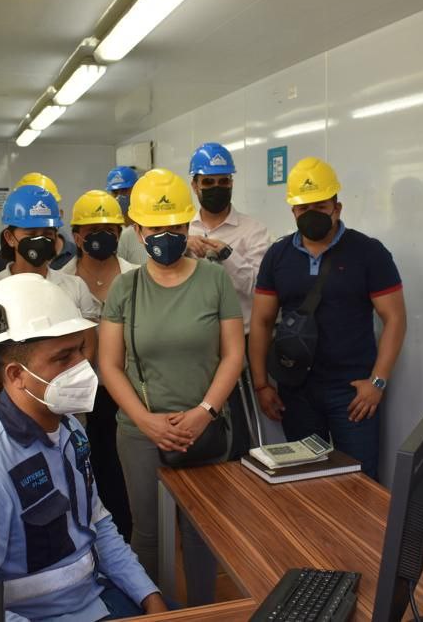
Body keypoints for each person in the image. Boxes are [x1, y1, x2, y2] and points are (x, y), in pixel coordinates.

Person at [0, 273, 167, 621]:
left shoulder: (69, 428)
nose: (81, 368)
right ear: (15, 375)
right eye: (62, 358)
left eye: (80, 351)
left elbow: (99, 526)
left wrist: (151, 598)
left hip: (99, 599)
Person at [99, 168, 244, 605]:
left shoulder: (215, 280)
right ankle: (154, 611)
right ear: (138, 230)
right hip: (141, 433)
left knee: (201, 531)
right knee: (147, 532)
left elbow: (232, 354)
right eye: (157, 228)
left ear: (188, 226)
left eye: (177, 227)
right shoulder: (125, 288)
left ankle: (202, 611)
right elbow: (109, 365)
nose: (168, 236)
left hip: (207, 426)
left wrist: (205, 412)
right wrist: (147, 422)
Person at [249, 157, 406, 480]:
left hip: (352, 392)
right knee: (304, 483)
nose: (311, 215)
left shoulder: (368, 252)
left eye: (319, 206)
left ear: (337, 206)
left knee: (361, 485)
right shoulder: (278, 256)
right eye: (302, 208)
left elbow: (394, 319)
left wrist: (377, 382)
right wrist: (262, 384)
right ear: (292, 210)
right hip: (296, 391)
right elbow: (262, 321)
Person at [62, 189, 139, 541]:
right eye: (93, 230)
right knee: (89, 474)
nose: (103, 237)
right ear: (77, 236)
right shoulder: (61, 284)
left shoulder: (139, 277)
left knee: (128, 476)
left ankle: (134, 541)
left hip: (130, 393)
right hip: (80, 399)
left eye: (110, 228)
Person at [187, 142, 271, 459]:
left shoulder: (254, 231)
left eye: (224, 181)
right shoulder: (182, 231)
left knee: (244, 426)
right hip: (197, 342)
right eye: (208, 182)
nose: (216, 188)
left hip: (245, 342)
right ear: (195, 185)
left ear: (232, 182)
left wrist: (226, 254)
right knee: (203, 422)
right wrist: (182, 250)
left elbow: (257, 288)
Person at [0, 185, 99, 386]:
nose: (40, 241)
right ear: (10, 238)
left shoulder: (74, 286)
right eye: (31, 233)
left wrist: (70, 388)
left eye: (47, 234)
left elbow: (89, 346)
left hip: (67, 397)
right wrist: (24, 395)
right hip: (9, 398)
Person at [0, 172, 76, 277]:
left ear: (59, 215)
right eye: (31, 232)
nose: (38, 218)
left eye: (46, 206)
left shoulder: (78, 257)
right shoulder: (0, 263)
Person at [106, 166, 148, 265]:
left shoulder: (148, 225)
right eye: (115, 193)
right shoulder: (111, 230)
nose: (119, 197)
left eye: (124, 190)